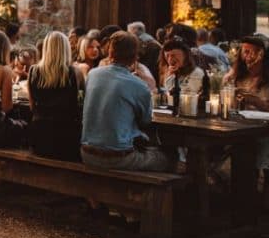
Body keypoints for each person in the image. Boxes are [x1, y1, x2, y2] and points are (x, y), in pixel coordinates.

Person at [80, 32, 173, 171]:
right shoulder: (139, 85)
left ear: (110, 53)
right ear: (135, 57)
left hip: (86, 153)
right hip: (117, 158)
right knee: (168, 158)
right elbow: (146, 120)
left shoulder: (93, 74)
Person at [26, 32, 83, 161]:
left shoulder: (33, 71)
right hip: (65, 139)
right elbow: (78, 106)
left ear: (46, 48)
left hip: (39, 138)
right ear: (66, 49)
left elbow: (32, 106)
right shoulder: (74, 73)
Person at [227, 37, 269, 172]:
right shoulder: (238, 76)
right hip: (240, 128)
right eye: (245, 52)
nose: (248, 56)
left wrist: (256, 101)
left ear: (261, 54)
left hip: (263, 131)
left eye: (252, 52)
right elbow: (231, 106)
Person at [161, 38, 209, 107]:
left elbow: (186, 96)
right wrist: (169, 76)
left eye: (173, 55)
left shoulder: (196, 73)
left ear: (185, 56)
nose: (170, 60)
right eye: (167, 56)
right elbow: (168, 95)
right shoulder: (171, 73)